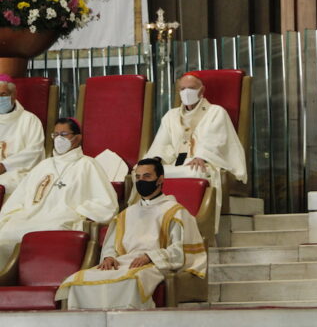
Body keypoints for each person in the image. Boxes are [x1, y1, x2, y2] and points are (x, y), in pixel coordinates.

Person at [56, 158, 207, 310]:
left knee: (131, 281)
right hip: (123, 263)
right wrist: (109, 257)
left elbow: (179, 251)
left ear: (160, 179)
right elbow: (111, 246)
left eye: (147, 176)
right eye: (138, 177)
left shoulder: (175, 212)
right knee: (77, 281)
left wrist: (150, 256)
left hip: (154, 264)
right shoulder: (126, 214)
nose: (141, 181)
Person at [0, 118, 118, 266]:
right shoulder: (43, 165)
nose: (58, 139)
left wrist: (78, 212)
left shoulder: (88, 165)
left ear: (78, 138)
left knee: (55, 229)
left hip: (62, 219)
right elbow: (19, 197)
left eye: (63, 134)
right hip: (32, 215)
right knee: (6, 232)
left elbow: (107, 204)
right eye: (55, 135)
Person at [143, 72, 247, 231]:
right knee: (149, 174)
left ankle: (197, 222)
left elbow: (216, 140)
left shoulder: (216, 112)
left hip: (201, 164)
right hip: (175, 164)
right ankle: (152, 222)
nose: (186, 92)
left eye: (191, 88)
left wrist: (201, 156)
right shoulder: (171, 116)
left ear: (201, 90)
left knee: (196, 171)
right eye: (182, 89)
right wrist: (155, 159)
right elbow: (162, 143)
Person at [0, 75, 45, 199]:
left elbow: (35, 151)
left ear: (14, 95)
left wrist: (5, 165)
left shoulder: (30, 120)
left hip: (18, 173)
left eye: (3, 94)